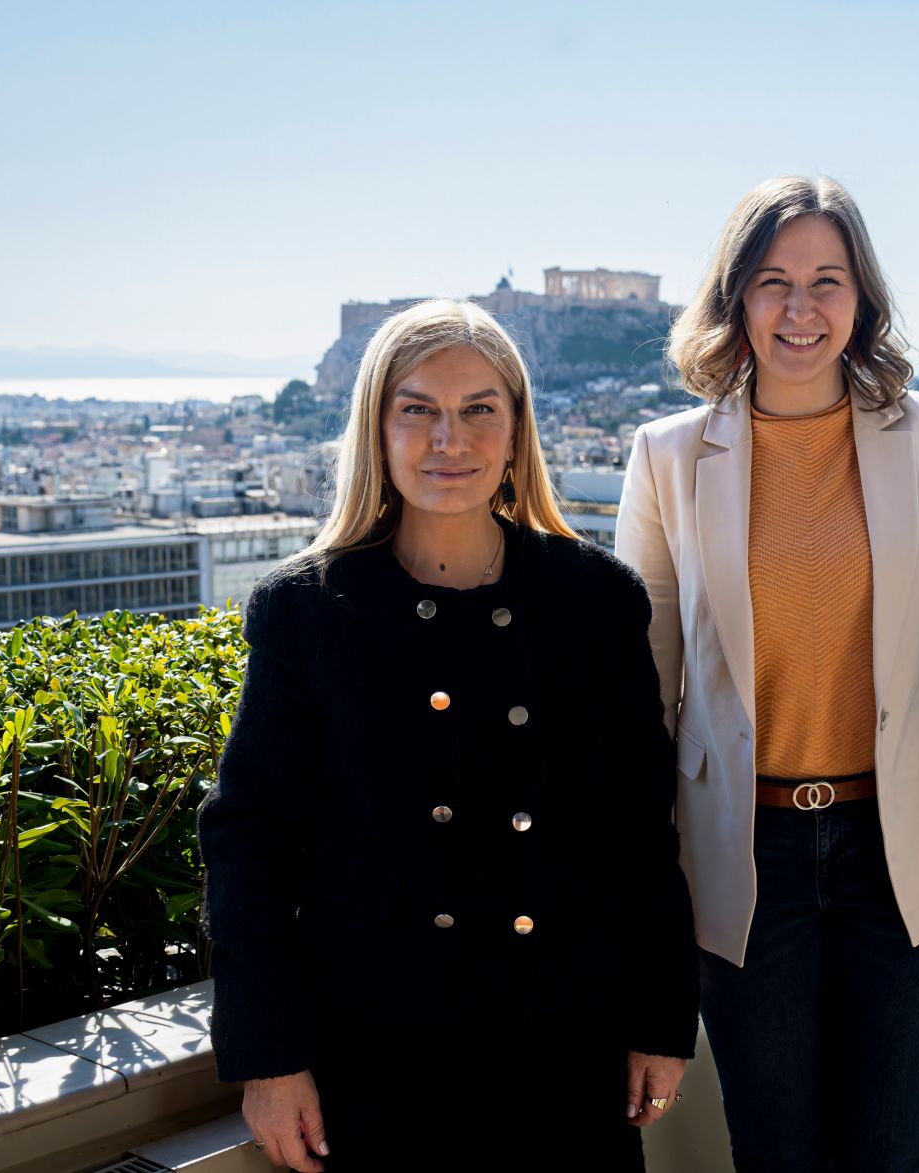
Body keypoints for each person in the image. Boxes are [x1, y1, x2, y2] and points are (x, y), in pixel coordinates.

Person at [198, 299, 697, 1171]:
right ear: (378, 430)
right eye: (418, 409)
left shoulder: (596, 602)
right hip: (381, 1050)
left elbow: (640, 830)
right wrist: (269, 1056)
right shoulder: (306, 611)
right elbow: (250, 840)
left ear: (515, 432)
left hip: (565, 1041)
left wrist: (661, 1019)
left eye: (478, 410)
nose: (448, 439)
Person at [615, 175, 919, 1172]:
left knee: (894, 1148)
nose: (799, 309)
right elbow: (640, 690)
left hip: (906, 850)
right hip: (739, 857)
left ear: (862, 300)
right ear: (734, 301)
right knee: (775, 1148)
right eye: (771, 281)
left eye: (825, 281)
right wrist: (641, 879)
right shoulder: (668, 455)